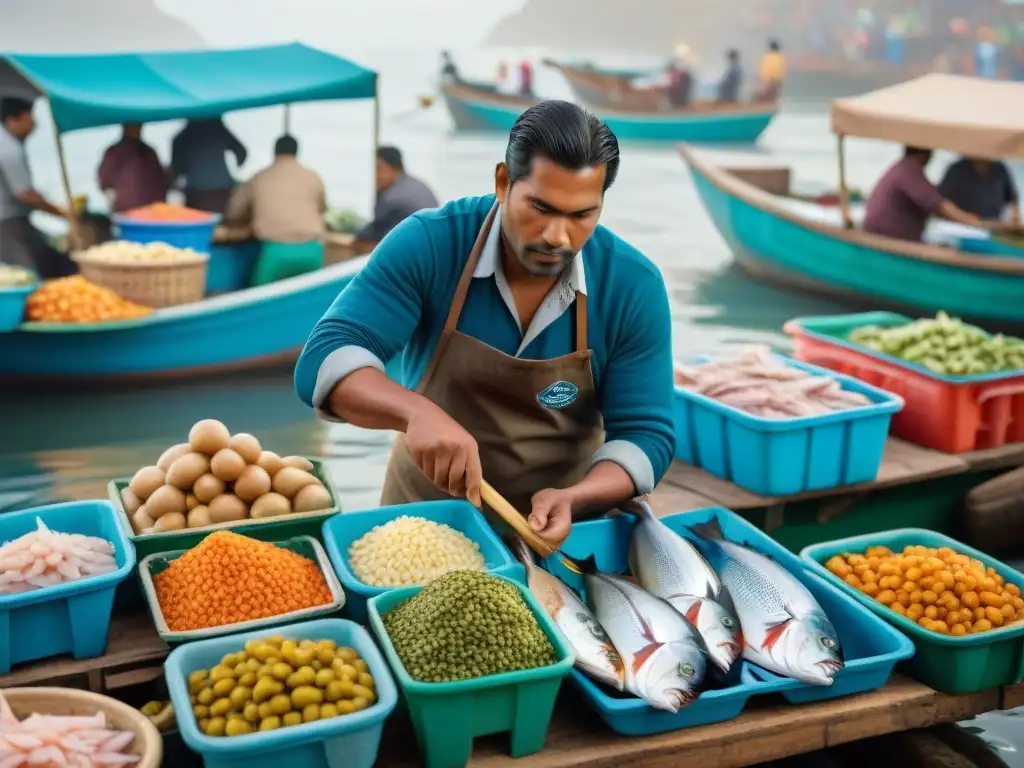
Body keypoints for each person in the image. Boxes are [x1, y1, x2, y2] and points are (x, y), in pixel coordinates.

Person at [295, 100, 675, 548]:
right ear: (502, 182)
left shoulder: (632, 284)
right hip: (418, 528)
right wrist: (415, 413)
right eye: (541, 207)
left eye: (581, 215)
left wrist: (578, 497)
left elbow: (646, 434)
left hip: (557, 537)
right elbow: (325, 358)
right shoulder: (432, 243)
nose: (557, 236)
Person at [225, 135, 326, 286]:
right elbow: (322, 209)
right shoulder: (314, 176)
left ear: (274, 151)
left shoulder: (259, 177)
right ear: (296, 152)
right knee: (311, 303)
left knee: (259, 301)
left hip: (276, 251)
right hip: (312, 251)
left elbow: (233, 212)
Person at [863, 146, 1015, 242]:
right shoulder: (909, 171)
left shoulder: (1000, 169)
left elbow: (1012, 197)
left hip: (986, 230)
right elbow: (939, 205)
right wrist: (976, 222)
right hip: (888, 239)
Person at [0, 98, 75, 278]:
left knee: (49, 258)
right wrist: (62, 213)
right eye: (31, 116)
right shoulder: (8, 150)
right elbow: (25, 194)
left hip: (18, 221)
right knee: (25, 275)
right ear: (19, 118)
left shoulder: (9, 143)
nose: (35, 123)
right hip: (6, 224)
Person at [351, 146, 439, 252]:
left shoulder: (393, 198)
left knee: (359, 244)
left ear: (394, 168)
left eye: (379, 169)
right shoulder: (418, 184)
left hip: (415, 250)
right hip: (434, 245)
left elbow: (370, 233)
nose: (376, 176)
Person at [169, 117, 248, 214]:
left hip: (197, 194)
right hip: (222, 192)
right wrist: (237, 170)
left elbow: (177, 171)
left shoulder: (182, 137)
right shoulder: (219, 130)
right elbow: (242, 153)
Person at [97, 123, 168, 213]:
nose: (137, 129)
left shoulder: (149, 152)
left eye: (139, 126)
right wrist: (113, 198)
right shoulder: (114, 153)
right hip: (125, 210)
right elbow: (104, 182)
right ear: (125, 128)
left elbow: (161, 179)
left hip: (151, 210)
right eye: (133, 126)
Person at [938, 157, 1020, 224]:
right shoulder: (957, 169)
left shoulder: (1000, 168)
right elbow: (942, 202)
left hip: (993, 226)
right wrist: (971, 220)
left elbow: (1011, 198)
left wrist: (1014, 216)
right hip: (962, 226)